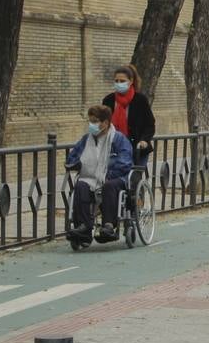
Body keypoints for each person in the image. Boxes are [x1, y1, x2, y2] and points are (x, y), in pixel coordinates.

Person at [66, 105, 134, 244]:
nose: (91, 125)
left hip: (114, 178)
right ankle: (84, 227)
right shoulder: (86, 140)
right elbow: (72, 157)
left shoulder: (118, 139)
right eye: (90, 121)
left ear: (106, 123)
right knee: (81, 185)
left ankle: (108, 225)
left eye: (95, 121)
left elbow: (125, 161)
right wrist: (74, 164)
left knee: (109, 186)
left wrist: (108, 173)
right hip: (91, 177)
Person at [102, 64, 155, 166]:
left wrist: (144, 140)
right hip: (114, 149)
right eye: (116, 81)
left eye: (122, 81)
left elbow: (150, 124)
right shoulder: (108, 100)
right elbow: (103, 124)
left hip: (137, 148)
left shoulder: (140, 100)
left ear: (131, 81)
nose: (118, 83)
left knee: (133, 179)